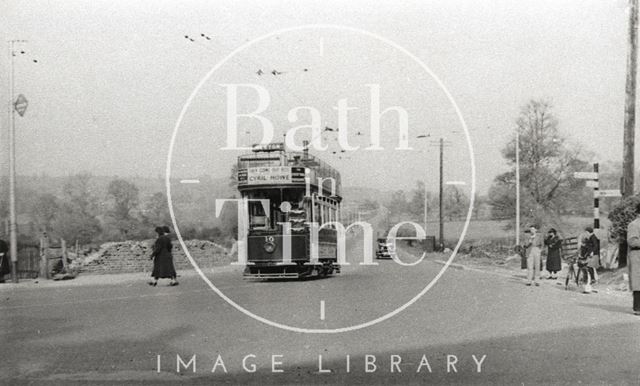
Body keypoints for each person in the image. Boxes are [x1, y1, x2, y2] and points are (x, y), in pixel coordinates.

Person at [626, 203, 640, 315]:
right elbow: (632, 241)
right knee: (638, 282)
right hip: (637, 256)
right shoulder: (634, 225)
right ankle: (637, 308)